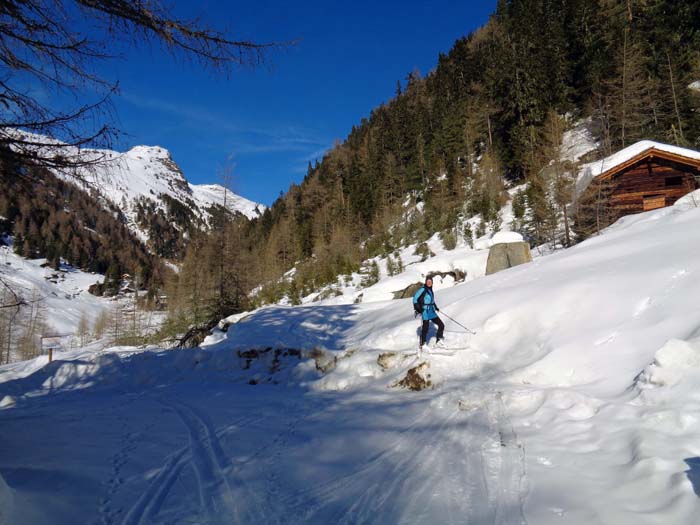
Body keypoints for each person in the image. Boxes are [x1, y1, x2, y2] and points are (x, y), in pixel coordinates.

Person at [413, 276, 445, 350]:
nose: (429, 283)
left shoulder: (430, 290)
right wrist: (418, 307)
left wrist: (436, 307)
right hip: (425, 311)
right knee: (425, 328)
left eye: (430, 281)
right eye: (428, 281)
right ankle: (423, 344)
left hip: (431, 311)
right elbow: (415, 298)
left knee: (441, 325)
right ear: (426, 282)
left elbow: (432, 301)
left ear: (432, 283)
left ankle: (439, 340)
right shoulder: (423, 289)